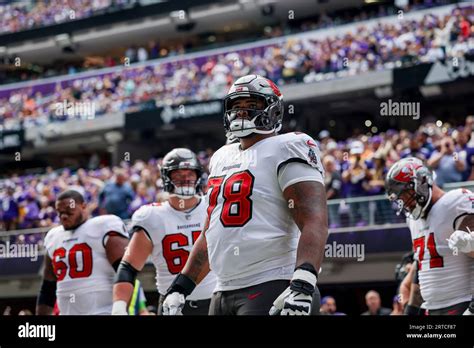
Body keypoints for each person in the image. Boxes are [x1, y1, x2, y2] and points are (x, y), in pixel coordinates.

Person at [161, 74, 328, 315]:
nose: (241, 112)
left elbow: (314, 220)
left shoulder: (288, 146)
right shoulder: (221, 157)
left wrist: (303, 282)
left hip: (271, 282)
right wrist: (181, 286)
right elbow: (211, 233)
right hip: (223, 290)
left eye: (251, 105)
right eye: (236, 106)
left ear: (273, 110)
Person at [112, 149, 216, 315]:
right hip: (172, 305)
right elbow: (129, 267)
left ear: (198, 175)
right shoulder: (152, 216)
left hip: (214, 303)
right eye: (178, 174)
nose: (186, 179)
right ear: (167, 177)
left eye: (190, 173)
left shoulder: (213, 205)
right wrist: (119, 306)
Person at [385, 157, 474, 315]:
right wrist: (411, 310)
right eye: (400, 198)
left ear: (423, 181)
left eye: (406, 193)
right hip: (430, 308)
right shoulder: (413, 220)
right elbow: (422, 268)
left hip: (461, 303)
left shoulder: (456, 202)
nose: (405, 202)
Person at [36, 190, 129, 315]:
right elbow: (48, 287)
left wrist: (120, 307)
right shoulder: (53, 237)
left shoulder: (103, 226)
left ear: (84, 206)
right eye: (60, 212)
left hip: (104, 311)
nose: (64, 216)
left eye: (69, 210)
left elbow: (126, 272)